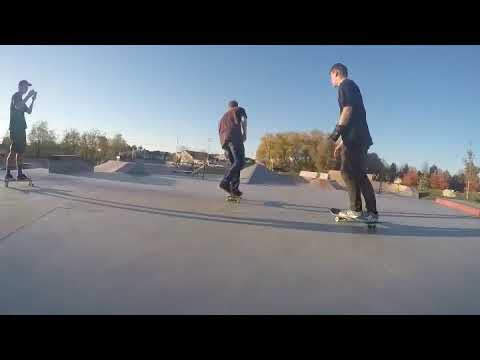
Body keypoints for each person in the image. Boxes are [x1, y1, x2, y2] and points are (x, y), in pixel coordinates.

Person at [328, 63, 378, 222]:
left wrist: (336, 132)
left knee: (348, 172)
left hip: (356, 138)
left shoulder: (345, 85)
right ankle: (370, 212)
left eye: (331, 77)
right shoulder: (353, 87)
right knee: (358, 174)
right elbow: (354, 117)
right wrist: (343, 141)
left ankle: (357, 210)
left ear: (336, 73)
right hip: (358, 137)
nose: (331, 81)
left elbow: (347, 110)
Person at [5, 80, 37, 181]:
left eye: (27, 87)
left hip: (22, 128)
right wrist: (28, 96)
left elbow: (29, 111)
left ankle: (19, 174)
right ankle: (8, 174)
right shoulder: (16, 96)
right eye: (25, 87)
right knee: (13, 151)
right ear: (20, 86)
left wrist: (33, 100)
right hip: (15, 128)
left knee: (20, 152)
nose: (27, 89)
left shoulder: (22, 99)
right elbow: (18, 106)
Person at [218, 100, 247, 197]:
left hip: (224, 142)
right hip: (234, 138)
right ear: (236, 105)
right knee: (240, 162)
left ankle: (234, 190)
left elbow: (220, 131)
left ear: (228, 107)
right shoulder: (239, 109)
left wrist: (224, 146)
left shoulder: (223, 117)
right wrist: (244, 134)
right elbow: (243, 120)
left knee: (235, 165)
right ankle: (225, 182)